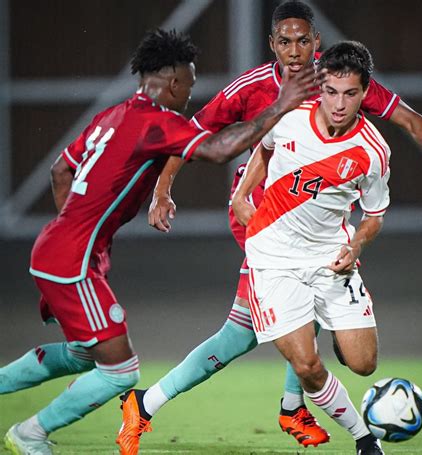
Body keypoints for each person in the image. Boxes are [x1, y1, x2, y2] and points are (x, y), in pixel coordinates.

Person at [119, 0, 422, 452]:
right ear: (272, 45)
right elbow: (193, 135)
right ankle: (168, 404)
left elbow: (409, 118)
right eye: (285, 42)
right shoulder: (254, 88)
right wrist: (163, 189)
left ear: (316, 43)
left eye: (303, 41)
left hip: (319, 227)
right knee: (244, 332)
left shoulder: (338, 80)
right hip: (263, 219)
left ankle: (289, 400)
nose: (295, 51)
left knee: (270, 329)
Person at [0, 28, 317, 455]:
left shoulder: (111, 116)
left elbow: (61, 171)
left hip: (58, 250)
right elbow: (221, 150)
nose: (190, 93)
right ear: (172, 83)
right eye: (188, 83)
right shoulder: (156, 123)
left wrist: (79, 235)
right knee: (121, 372)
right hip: (71, 259)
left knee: (81, 354)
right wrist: (280, 105)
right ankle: (30, 433)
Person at [232, 39, 389, 455]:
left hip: (329, 257)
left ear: (364, 93)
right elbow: (263, 151)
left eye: (350, 93)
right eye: (332, 91)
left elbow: (374, 214)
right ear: (320, 86)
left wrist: (356, 246)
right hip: (273, 256)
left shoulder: (373, 153)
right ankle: (364, 440)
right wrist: (241, 194)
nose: (339, 104)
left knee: (363, 364)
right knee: (305, 365)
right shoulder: (288, 118)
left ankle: (338, 327)